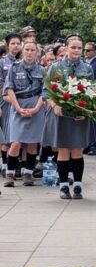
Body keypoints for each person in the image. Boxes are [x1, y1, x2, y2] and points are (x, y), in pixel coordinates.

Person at [45, 35, 96, 199]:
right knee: (63, 149)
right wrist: (55, 105)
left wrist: (85, 109)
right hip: (61, 114)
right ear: (66, 48)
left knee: (77, 149)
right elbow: (46, 91)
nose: (76, 50)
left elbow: (92, 92)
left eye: (79, 48)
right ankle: (63, 186)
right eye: (73, 47)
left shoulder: (87, 68)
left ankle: (78, 186)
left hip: (79, 114)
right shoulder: (55, 67)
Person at [3, 41, 45, 188]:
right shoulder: (14, 68)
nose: (29, 52)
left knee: (33, 142)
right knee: (16, 142)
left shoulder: (42, 69)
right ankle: (10, 173)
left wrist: (36, 108)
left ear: (37, 52)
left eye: (32, 50)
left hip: (36, 106)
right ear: (22, 50)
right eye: (27, 49)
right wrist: (18, 108)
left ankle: (28, 173)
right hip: (18, 105)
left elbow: (44, 92)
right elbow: (9, 89)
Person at [0, 34, 21, 177]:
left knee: (17, 134)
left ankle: (17, 164)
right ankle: (6, 164)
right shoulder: (2, 62)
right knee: (6, 133)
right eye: (13, 43)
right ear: (8, 45)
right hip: (5, 100)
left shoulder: (22, 61)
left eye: (18, 43)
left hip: (20, 101)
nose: (16, 46)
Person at [83, 41, 96, 156]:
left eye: (88, 50)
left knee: (94, 121)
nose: (85, 52)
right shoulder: (84, 63)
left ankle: (94, 145)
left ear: (95, 52)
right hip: (84, 94)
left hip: (93, 94)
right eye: (84, 50)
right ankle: (87, 144)